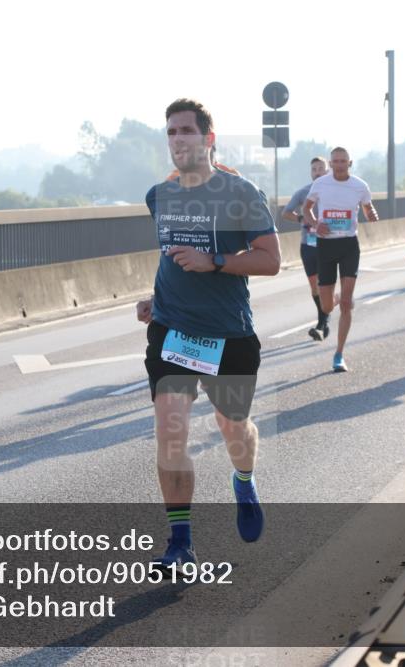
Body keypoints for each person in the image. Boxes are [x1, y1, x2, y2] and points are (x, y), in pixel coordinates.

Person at [138, 98, 281, 568]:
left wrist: (214, 262)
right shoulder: (160, 195)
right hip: (172, 331)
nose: (177, 140)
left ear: (208, 138)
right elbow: (169, 256)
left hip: (228, 334)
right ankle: (180, 542)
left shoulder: (240, 192)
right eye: (171, 132)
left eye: (186, 131)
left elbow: (271, 260)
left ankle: (243, 479)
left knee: (233, 429)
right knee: (170, 431)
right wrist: (157, 300)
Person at [301, 147, 379, 372]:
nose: (339, 165)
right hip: (325, 245)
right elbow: (307, 209)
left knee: (346, 304)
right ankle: (335, 297)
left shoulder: (360, 185)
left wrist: (371, 213)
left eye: (343, 161)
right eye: (335, 161)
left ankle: (339, 354)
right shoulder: (321, 184)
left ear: (350, 163)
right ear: (331, 163)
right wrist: (316, 223)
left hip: (348, 245)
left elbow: (367, 205)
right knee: (327, 306)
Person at [282, 157, 330, 340]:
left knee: (324, 283)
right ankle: (324, 320)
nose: (317, 172)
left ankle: (321, 324)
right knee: (314, 285)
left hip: (329, 243)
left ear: (327, 171)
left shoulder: (333, 190)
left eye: (320, 168)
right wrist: (302, 219)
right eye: (314, 169)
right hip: (308, 244)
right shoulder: (303, 192)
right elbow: (285, 212)